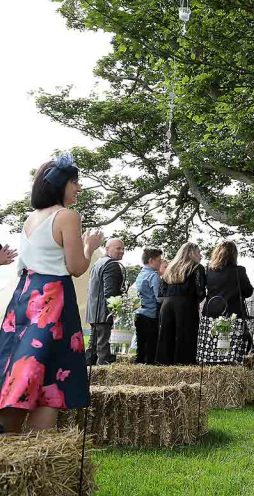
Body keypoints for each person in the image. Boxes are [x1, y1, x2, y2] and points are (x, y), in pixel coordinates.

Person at [0, 155, 102, 433]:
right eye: (74, 182)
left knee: (20, 371)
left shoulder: (30, 219)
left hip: (24, 299)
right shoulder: (67, 216)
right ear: (60, 184)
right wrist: (89, 246)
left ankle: (10, 440)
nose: (78, 188)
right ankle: (36, 451)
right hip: (52, 300)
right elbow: (77, 267)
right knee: (51, 381)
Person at [157, 242, 206, 365]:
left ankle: (164, 363)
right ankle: (183, 363)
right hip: (186, 303)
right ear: (192, 253)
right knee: (185, 335)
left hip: (167, 304)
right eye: (199, 252)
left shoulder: (170, 268)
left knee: (166, 335)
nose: (201, 255)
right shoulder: (196, 268)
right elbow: (200, 290)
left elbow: (161, 291)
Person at [203, 240, 253, 349]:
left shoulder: (208, 270)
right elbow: (248, 291)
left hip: (211, 312)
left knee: (211, 347)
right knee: (233, 349)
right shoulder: (239, 271)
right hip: (233, 314)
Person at [84, 237, 125, 365]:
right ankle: (104, 377)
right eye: (118, 248)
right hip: (104, 313)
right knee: (104, 350)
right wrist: (117, 311)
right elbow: (111, 294)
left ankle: (88, 376)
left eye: (123, 249)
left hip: (94, 312)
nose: (122, 251)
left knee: (93, 349)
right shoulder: (112, 265)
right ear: (107, 249)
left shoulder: (99, 262)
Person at [134, 247, 163, 364]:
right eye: (159, 260)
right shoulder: (153, 276)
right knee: (151, 346)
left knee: (141, 346)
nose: (160, 262)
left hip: (140, 314)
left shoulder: (140, 275)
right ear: (151, 260)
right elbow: (159, 297)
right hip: (151, 315)